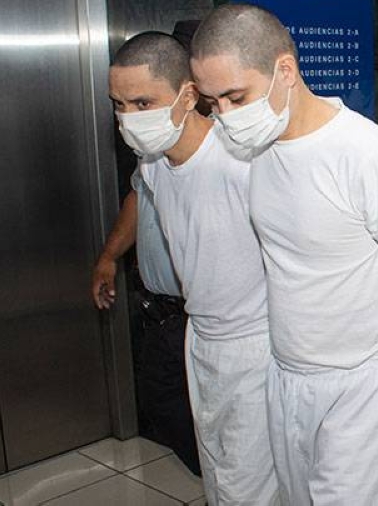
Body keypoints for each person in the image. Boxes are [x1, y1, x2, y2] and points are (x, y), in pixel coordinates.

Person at [190, 3, 378, 505]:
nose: (224, 115)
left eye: (235, 97)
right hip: (286, 371)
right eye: (212, 101)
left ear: (285, 70)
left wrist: (358, 325)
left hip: (360, 380)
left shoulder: (367, 154)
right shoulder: (257, 148)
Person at [109, 32, 278, 505]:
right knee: (218, 473)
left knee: (250, 485)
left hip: (257, 343)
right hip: (200, 337)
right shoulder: (152, 165)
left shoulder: (242, 161)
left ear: (188, 95)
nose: (129, 118)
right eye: (119, 105)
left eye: (143, 103)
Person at [91, 167, 201, 477]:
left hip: (203, 317)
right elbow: (138, 199)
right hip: (162, 316)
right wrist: (109, 256)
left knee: (221, 418)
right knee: (161, 402)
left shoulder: (214, 155)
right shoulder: (150, 155)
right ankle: (220, 483)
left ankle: (233, 488)